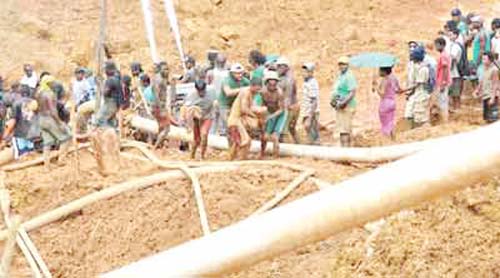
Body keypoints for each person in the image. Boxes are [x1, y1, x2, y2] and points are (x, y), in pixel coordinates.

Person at [92, 61, 122, 175]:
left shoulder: (110, 80)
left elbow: (105, 93)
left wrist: (100, 84)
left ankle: (103, 145)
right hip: (115, 104)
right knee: (110, 123)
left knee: (98, 121)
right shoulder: (116, 77)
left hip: (110, 103)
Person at [37, 75, 72, 169]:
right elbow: (53, 110)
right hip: (50, 119)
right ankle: (61, 160)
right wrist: (59, 122)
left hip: (41, 119)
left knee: (47, 142)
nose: (54, 84)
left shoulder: (39, 93)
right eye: (52, 82)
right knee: (67, 136)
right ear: (48, 83)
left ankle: (47, 166)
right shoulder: (50, 94)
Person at [227, 77, 266, 160]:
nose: (258, 92)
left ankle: (236, 159)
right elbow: (244, 108)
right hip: (236, 121)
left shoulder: (251, 93)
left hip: (240, 120)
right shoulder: (246, 92)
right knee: (246, 141)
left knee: (238, 142)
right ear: (252, 86)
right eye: (257, 89)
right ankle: (238, 159)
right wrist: (254, 116)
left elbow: (250, 107)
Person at [183, 80, 215, 159]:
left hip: (207, 116)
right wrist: (188, 124)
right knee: (197, 140)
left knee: (204, 135)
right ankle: (192, 155)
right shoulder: (191, 96)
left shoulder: (211, 93)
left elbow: (215, 103)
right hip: (196, 118)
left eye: (203, 91)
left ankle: (202, 156)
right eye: (199, 92)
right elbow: (185, 110)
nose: (201, 93)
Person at [330, 56, 357, 147]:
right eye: (340, 64)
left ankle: (346, 153)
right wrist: (334, 100)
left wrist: (343, 103)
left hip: (347, 106)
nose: (341, 66)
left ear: (348, 65)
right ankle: (344, 152)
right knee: (342, 130)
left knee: (345, 130)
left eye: (344, 64)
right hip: (340, 105)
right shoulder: (341, 76)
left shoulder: (349, 76)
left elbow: (352, 92)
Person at [219, 63, 250, 139]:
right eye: (237, 73)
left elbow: (251, 88)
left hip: (236, 105)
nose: (240, 75)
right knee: (229, 124)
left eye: (241, 73)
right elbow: (228, 92)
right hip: (225, 105)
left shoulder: (244, 81)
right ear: (232, 73)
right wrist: (242, 90)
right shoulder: (226, 81)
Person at [404, 46, 432, 128]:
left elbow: (418, 84)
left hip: (421, 93)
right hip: (415, 93)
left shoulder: (423, 69)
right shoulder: (415, 66)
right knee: (410, 113)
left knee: (420, 115)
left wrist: (405, 90)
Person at [261, 71, 286, 158]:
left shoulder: (279, 93)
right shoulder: (263, 92)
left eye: (274, 85)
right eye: (270, 84)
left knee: (275, 136)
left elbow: (281, 109)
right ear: (266, 83)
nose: (272, 87)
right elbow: (262, 105)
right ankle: (262, 153)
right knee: (265, 136)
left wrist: (270, 117)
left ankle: (275, 156)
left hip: (280, 115)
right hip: (270, 113)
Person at [276, 57, 299, 144]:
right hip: (287, 106)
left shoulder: (289, 79)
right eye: (278, 66)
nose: (279, 69)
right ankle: (298, 145)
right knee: (291, 128)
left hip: (289, 107)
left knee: (283, 130)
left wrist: (283, 110)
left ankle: (286, 149)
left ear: (286, 68)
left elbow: (288, 97)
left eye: (281, 67)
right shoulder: (280, 78)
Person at [373, 67, 400, 139]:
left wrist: (376, 87)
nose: (378, 72)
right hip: (392, 102)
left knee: (385, 124)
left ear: (384, 71)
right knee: (391, 123)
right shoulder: (394, 78)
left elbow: (382, 94)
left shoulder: (385, 80)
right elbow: (398, 90)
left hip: (385, 103)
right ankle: (394, 140)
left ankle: (387, 141)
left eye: (380, 70)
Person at [152, 61, 173, 147]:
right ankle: (156, 146)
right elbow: (156, 95)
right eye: (165, 69)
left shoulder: (160, 78)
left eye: (168, 69)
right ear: (160, 70)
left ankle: (158, 145)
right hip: (159, 106)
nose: (167, 71)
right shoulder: (159, 80)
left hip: (159, 106)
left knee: (161, 127)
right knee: (167, 128)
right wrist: (161, 109)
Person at [474, 52, 499, 123]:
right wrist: (477, 90)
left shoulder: (494, 70)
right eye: (482, 59)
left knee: (492, 118)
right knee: (486, 117)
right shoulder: (484, 68)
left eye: (485, 59)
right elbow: (482, 80)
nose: (483, 61)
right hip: (485, 95)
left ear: (490, 60)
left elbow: (495, 84)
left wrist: (492, 97)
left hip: (491, 95)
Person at [300, 62, 320, 144]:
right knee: (310, 131)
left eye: (306, 72)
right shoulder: (306, 82)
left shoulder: (312, 83)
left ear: (311, 73)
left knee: (312, 131)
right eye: (303, 72)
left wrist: (310, 117)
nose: (303, 74)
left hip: (311, 111)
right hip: (307, 110)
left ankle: (316, 148)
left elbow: (314, 101)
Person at [210, 53, 229, 135]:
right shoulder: (228, 74)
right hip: (223, 101)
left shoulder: (211, 73)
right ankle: (222, 138)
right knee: (223, 122)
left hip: (213, 99)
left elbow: (208, 85)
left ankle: (211, 138)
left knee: (213, 120)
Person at [435, 37, 452, 123]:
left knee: (443, 102)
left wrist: (443, 83)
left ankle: (444, 121)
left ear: (442, 45)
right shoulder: (444, 54)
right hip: (441, 81)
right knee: (442, 101)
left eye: (437, 45)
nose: (436, 47)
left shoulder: (443, 55)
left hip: (443, 81)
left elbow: (445, 68)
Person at [449, 28, 465, 111]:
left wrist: (449, 69)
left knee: (455, 93)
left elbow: (453, 58)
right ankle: (457, 108)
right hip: (456, 73)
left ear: (455, 35)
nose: (449, 36)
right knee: (455, 93)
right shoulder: (455, 45)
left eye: (451, 34)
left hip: (455, 73)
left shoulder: (455, 46)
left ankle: (457, 109)